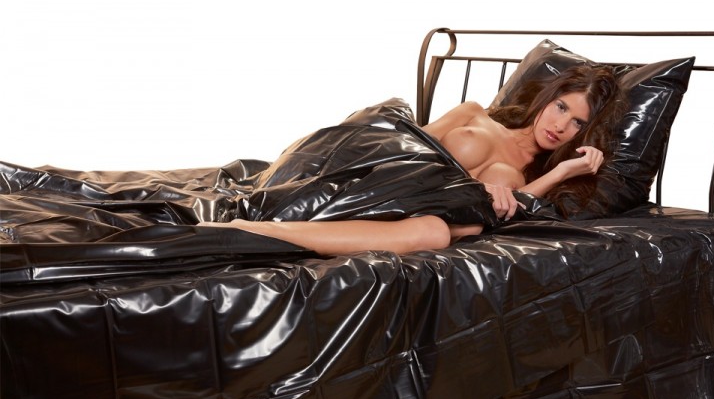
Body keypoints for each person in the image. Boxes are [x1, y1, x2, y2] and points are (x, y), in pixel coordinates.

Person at [198, 64, 625, 255]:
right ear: (548, 98)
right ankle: (271, 216)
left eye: (577, 123)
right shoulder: (474, 113)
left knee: (442, 231)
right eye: (561, 107)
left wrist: (564, 171)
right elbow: (405, 142)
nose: (561, 125)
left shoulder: (532, 177)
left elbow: (513, 209)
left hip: (429, 213)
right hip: (391, 178)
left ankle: (260, 235)